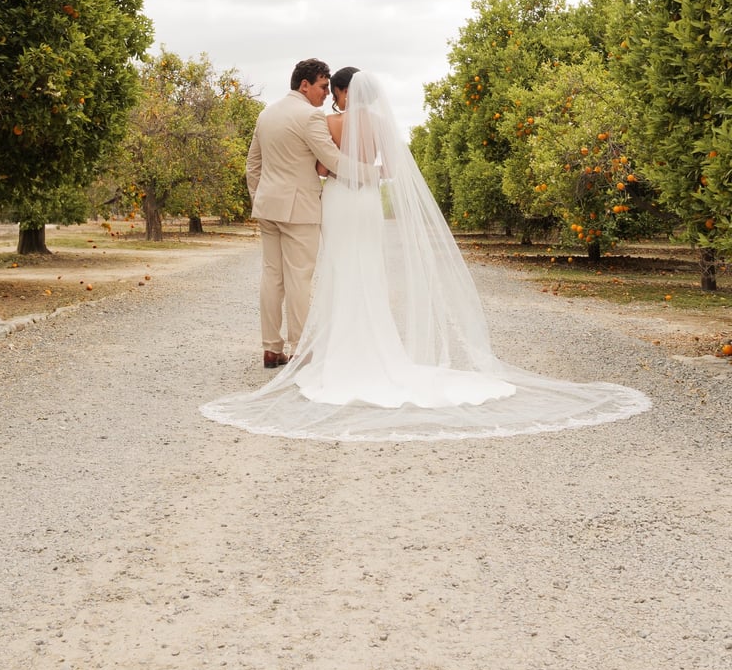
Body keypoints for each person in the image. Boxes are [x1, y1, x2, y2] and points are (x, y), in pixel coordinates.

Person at [203, 69, 650, 441]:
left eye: (331, 90)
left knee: (313, 273)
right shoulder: (376, 124)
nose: (328, 97)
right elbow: (392, 171)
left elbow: (318, 167)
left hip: (331, 202)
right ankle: (347, 347)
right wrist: (371, 174)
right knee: (361, 273)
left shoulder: (317, 121)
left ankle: (293, 348)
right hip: (364, 204)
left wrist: (264, 194)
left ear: (340, 91)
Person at [245, 58, 341, 368]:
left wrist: (259, 198)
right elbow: (332, 160)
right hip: (299, 209)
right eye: (323, 87)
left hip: (268, 208)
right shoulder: (310, 116)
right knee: (300, 278)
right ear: (305, 85)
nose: (326, 94)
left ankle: (271, 349)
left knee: (272, 277)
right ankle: (300, 349)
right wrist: (371, 173)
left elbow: (252, 166)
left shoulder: (266, 114)